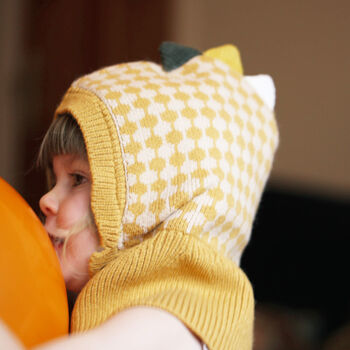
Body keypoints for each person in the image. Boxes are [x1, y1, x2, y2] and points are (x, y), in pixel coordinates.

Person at [1, 42, 278, 350]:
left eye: (77, 179)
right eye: (56, 178)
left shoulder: (180, 307)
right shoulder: (117, 296)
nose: (46, 200)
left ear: (152, 202)